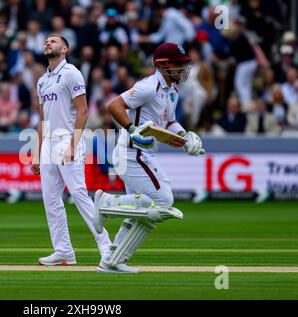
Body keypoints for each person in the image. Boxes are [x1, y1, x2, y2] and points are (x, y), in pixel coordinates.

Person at [93, 43, 204, 273]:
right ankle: (106, 203)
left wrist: (186, 137)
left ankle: (112, 260)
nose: (183, 70)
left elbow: (170, 122)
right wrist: (131, 128)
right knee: (162, 201)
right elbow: (114, 105)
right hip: (133, 153)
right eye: (179, 65)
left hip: (143, 153)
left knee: (145, 213)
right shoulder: (149, 86)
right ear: (163, 65)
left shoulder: (172, 90)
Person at [31, 34, 112, 266]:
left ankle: (107, 246)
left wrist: (73, 146)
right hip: (48, 143)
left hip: (67, 139)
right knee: (51, 199)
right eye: (46, 41)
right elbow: (42, 119)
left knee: (78, 194)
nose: (48, 43)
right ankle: (63, 250)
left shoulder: (71, 73)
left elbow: (83, 111)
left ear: (65, 49)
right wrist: (37, 151)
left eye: (54, 41)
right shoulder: (42, 81)